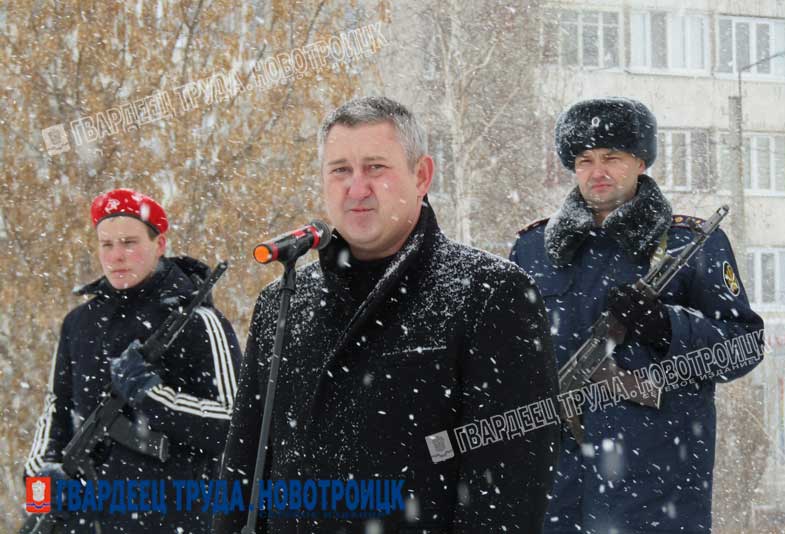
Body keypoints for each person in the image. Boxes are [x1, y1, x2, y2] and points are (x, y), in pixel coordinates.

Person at [214, 96, 559, 533]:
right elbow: (244, 466)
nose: (357, 188)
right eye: (340, 170)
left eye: (375, 167)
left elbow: (509, 491)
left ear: (422, 176)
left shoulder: (490, 294)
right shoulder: (284, 301)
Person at [510, 97, 765, 533]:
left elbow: (744, 348)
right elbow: (509, 359)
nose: (598, 171)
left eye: (612, 157)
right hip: (555, 495)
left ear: (641, 161)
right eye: (584, 160)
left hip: (656, 493)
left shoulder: (690, 245)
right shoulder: (534, 249)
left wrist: (670, 327)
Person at [24, 188, 242, 533]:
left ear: (159, 245)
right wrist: (41, 488)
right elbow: (55, 412)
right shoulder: (79, 324)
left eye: (129, 243)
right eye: (106, 245)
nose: (116, 257)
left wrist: (155, 399)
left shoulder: (199, 321)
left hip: (174, 518)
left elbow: (239, 425)